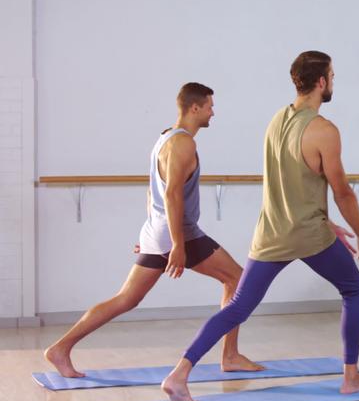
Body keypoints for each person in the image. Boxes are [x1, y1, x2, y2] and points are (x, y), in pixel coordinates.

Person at [161, 51, 359, 401]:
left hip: (271, 233)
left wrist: (327, 223)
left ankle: (180, 373)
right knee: (354, 288)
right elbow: (342, 191)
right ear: (321, 82)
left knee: (238, 306)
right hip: (308, 236)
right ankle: (351, 377)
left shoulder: (277, 119)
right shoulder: (324, 130)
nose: (333, 82)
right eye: (332, 76)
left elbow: (292, 182)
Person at [44, 83, 263, 378]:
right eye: (210, 106)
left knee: (127, 299)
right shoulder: (184, 143)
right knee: (237, 279)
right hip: (180, 233)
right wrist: (177, 245)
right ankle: (231, 355)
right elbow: (172, 193)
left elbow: (153, 193)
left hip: (159, 232)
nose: (213, 111)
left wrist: (152, 234)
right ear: (194, 108)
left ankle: (60, 348)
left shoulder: (165, 138)